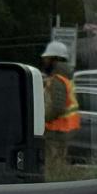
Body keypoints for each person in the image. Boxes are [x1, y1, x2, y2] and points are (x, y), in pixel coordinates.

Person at [40, 41, 80, 181]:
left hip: (56, 132)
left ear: (55, 59)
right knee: (58, 168)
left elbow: (57, 107)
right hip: (62, 131)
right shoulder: (65, 77)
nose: (44, 61)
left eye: (47, 58)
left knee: (52, 171)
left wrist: (41, 120)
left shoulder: (58, 79)